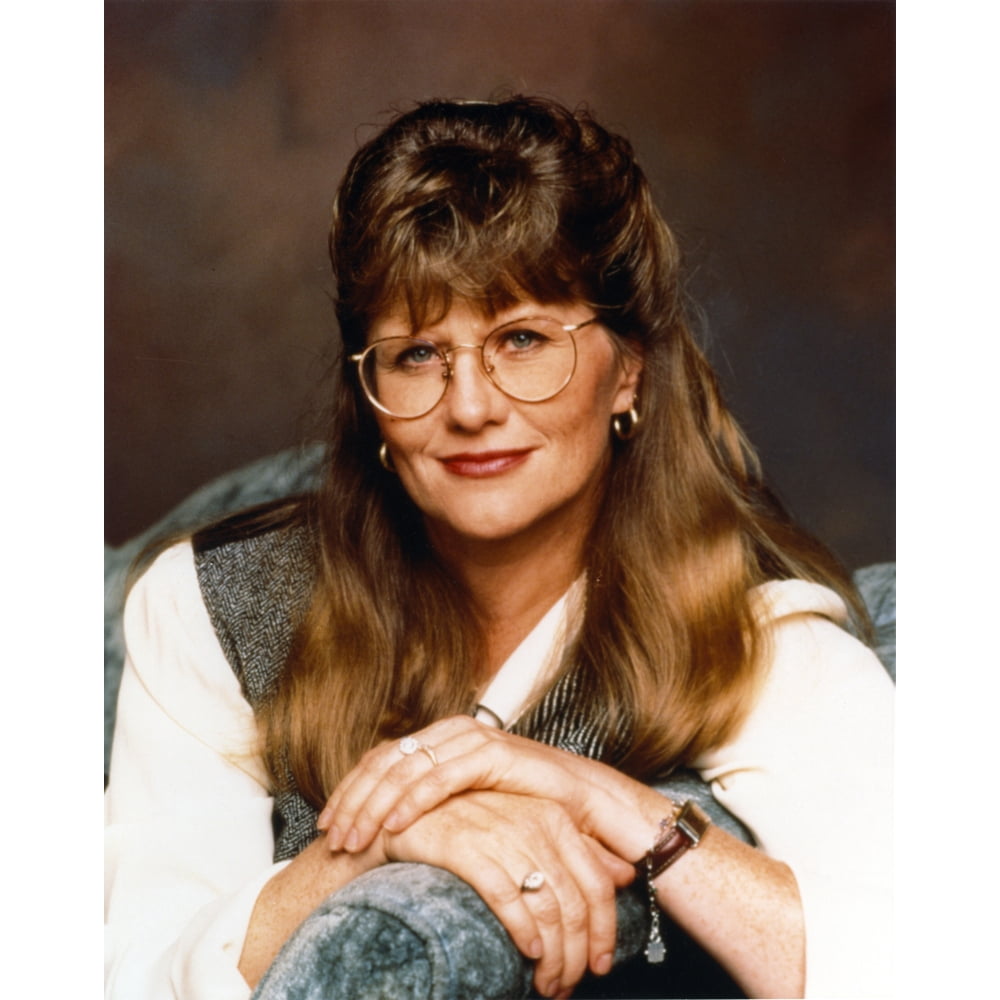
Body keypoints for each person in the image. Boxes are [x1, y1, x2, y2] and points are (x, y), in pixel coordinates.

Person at [104, 96, 893, 999]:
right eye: (415, 356)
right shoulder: (211, 604)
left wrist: (615, 805)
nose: (470, 406)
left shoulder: (750, 631)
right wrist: (366, 848)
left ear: (627, 368)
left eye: (522, 340)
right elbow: (125, 970)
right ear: (369, 397)